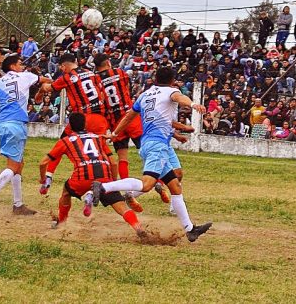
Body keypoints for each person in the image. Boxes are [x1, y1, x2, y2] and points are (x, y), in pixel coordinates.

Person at [92, 67, 212, 242]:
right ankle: (104, 187)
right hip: (158, 146)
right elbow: (180, 98)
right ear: (172, 81)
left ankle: (190, 229)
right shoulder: (171, 91)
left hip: (147, 143)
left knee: (175, 186)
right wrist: (193, 104)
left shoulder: (145, 95)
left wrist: (115, 134)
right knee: (147, 184)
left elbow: (129, 116)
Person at [38, 113, 146, 238]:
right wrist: (112, 183)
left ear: (70, 126)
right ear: (85, 124)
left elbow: (43, 163)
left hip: (82, 177)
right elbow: (113, 163)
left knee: (66, 192)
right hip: (104, 176)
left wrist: (43, 178)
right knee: (120, 205)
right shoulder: (98, 138)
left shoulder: (66, 141)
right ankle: (138, 227)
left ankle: (62, 222)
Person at [0, 54, 50, 217]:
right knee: (13, 166)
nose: (22, 66)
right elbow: (46, 80)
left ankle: (18, 205)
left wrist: (2, 102)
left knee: (19, 164)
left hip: (3, 123)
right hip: (17, 124)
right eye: (19, 63)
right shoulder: (25, 76)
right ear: (12, 66)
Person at [94, 53, 144, 211]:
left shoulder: (96, 80)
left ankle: (128, 191)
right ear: (108, 62)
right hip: (130, 117)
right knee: (146, 151)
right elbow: (127, 88)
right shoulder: (120, 73)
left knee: (122, 157)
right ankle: (158, 181)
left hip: (115, 122)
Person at [42, 53, 109, 136]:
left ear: (63, 66)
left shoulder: (67, 77)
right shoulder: (90, 73)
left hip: (82, 118)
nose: (62, 70)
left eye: (61, 68)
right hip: (100, 118)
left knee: (66, 142)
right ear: (75, 62)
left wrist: (44, 83)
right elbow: (102, 91)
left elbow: (47, 88)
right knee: (98, 143)